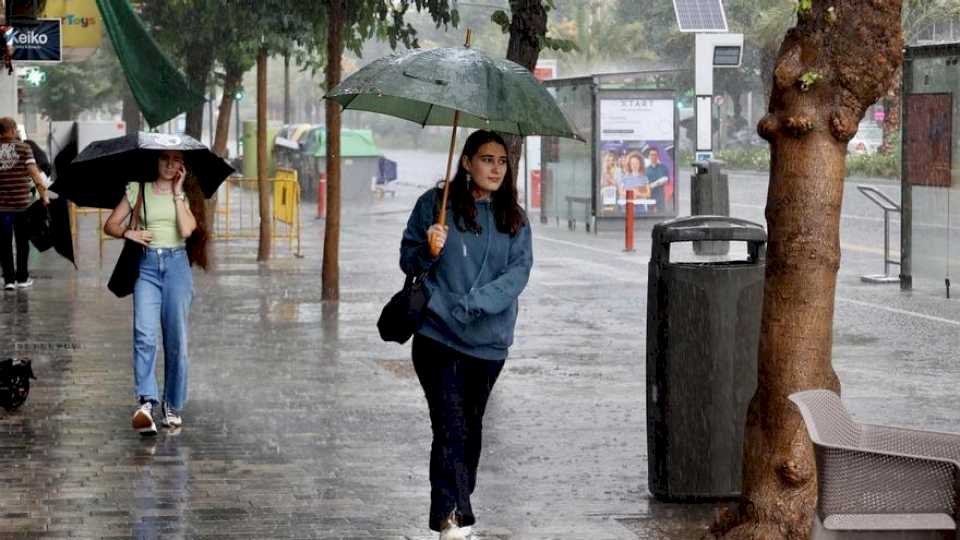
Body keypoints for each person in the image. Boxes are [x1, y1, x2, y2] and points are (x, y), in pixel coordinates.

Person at [400, 130, 533, 540]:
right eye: (487, 159)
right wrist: (428, 249)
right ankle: (450, 516)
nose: (496, 168)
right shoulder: (434, 205)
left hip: (488, 342)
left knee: (470, 428)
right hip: (437, 335)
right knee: (450, 424)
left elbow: (517, 275)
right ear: (466, 162)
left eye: (502, 161)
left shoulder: (514, 217)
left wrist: (475, 302)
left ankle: (456, 503)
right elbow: (408, 261)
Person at [103, 150, 209, 436]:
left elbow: (187, 230)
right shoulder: (138, 190)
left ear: (181, 167)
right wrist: (129, 233)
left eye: (176, 161)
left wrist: (177, 193)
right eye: (165, 159)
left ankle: (172, 405)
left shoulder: (184, 195)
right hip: (146, 267)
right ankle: (147, 402)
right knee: (144, 335)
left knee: (177, 340)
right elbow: (110, 224)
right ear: (156, 162)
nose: (169, 165)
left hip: (177, 266)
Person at [0, 117, 49, 290]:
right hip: (22, 205)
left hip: (2, 208)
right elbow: (34, 174)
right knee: (22, 241)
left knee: (4, 243)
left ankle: (8, 280)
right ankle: (22, 278)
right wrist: (44, 195)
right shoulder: (24, 148)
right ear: (12, 130)